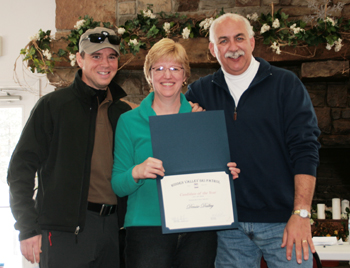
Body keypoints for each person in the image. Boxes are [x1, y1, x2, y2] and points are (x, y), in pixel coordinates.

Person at [185, 13, 321, 268]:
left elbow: (306, 149)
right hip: (227, 227)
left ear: (252, 42)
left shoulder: (286, 84)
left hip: (283, 224)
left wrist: (301, 213)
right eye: (223, 41)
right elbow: (187, 153)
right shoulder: (199, 92)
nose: (233, 47)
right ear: (213, 49)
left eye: (239, 38)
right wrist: (191, 124)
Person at [7, 27, 132, 268]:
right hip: (65, 233)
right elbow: (20, 169)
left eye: (112, 56)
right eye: (96, 56)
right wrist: (27, 227)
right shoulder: (53, 106)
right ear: (79, 59)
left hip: (114, 230)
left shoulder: (123, 112)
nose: (105, 63)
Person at [111, 38, 240, 268]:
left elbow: (211, 173)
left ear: (184, 75)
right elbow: (118, 184)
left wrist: (225, 173)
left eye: (174, 68)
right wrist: (137, 172)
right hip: (146, 230)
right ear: (149, 75)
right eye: (158, 68)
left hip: (198, 230)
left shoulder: (200, 119)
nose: (167, 75)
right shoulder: (128, 122)